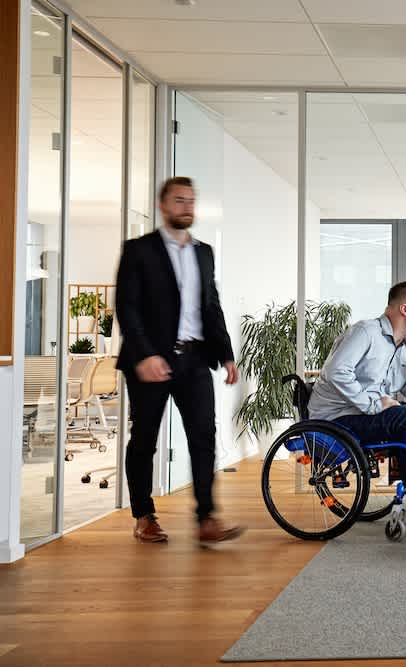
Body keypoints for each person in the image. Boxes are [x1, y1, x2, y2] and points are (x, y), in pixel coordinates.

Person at [115, 176, 245, 545]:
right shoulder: (139, 250)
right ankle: (144, 515)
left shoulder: (203, 252)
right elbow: (127, 307)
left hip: (194, 360)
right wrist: (144, 355)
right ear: (163, 205)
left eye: (191, 201)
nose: (186, 207)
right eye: (179, 200)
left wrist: (226, 355)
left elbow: (211, 305)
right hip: (150, 363)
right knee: (144, 440)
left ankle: (207, 518)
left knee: (204, 437)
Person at [308, 281, 406, 524]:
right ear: (404, 309)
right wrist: (374, 405)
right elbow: (336, 371)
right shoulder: (365, 332)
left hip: (366, 415)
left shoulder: (403, 348)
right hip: (337, 417)